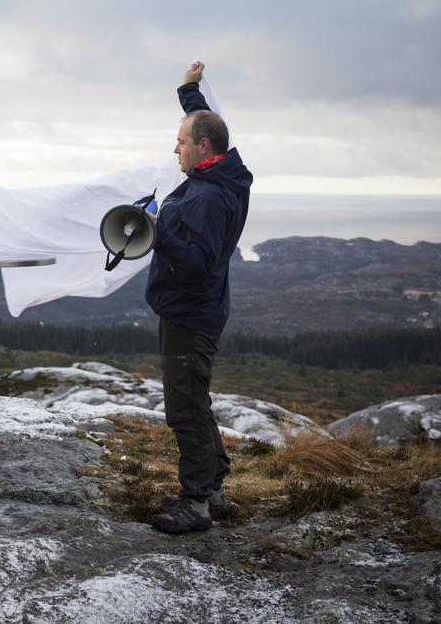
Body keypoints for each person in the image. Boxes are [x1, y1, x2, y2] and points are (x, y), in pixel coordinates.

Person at [146, 62, 252, 533]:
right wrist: (189, 91)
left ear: (202, 149)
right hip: (195, 310)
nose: (176, 147)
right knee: (197, 401)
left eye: (182, 142)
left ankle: (195, 505)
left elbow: (199, 261)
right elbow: (208, 123)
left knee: (185, 408)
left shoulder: (210, 196)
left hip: (191, 314)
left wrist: (157, 233)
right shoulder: (227, 169)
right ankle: (215, 488)